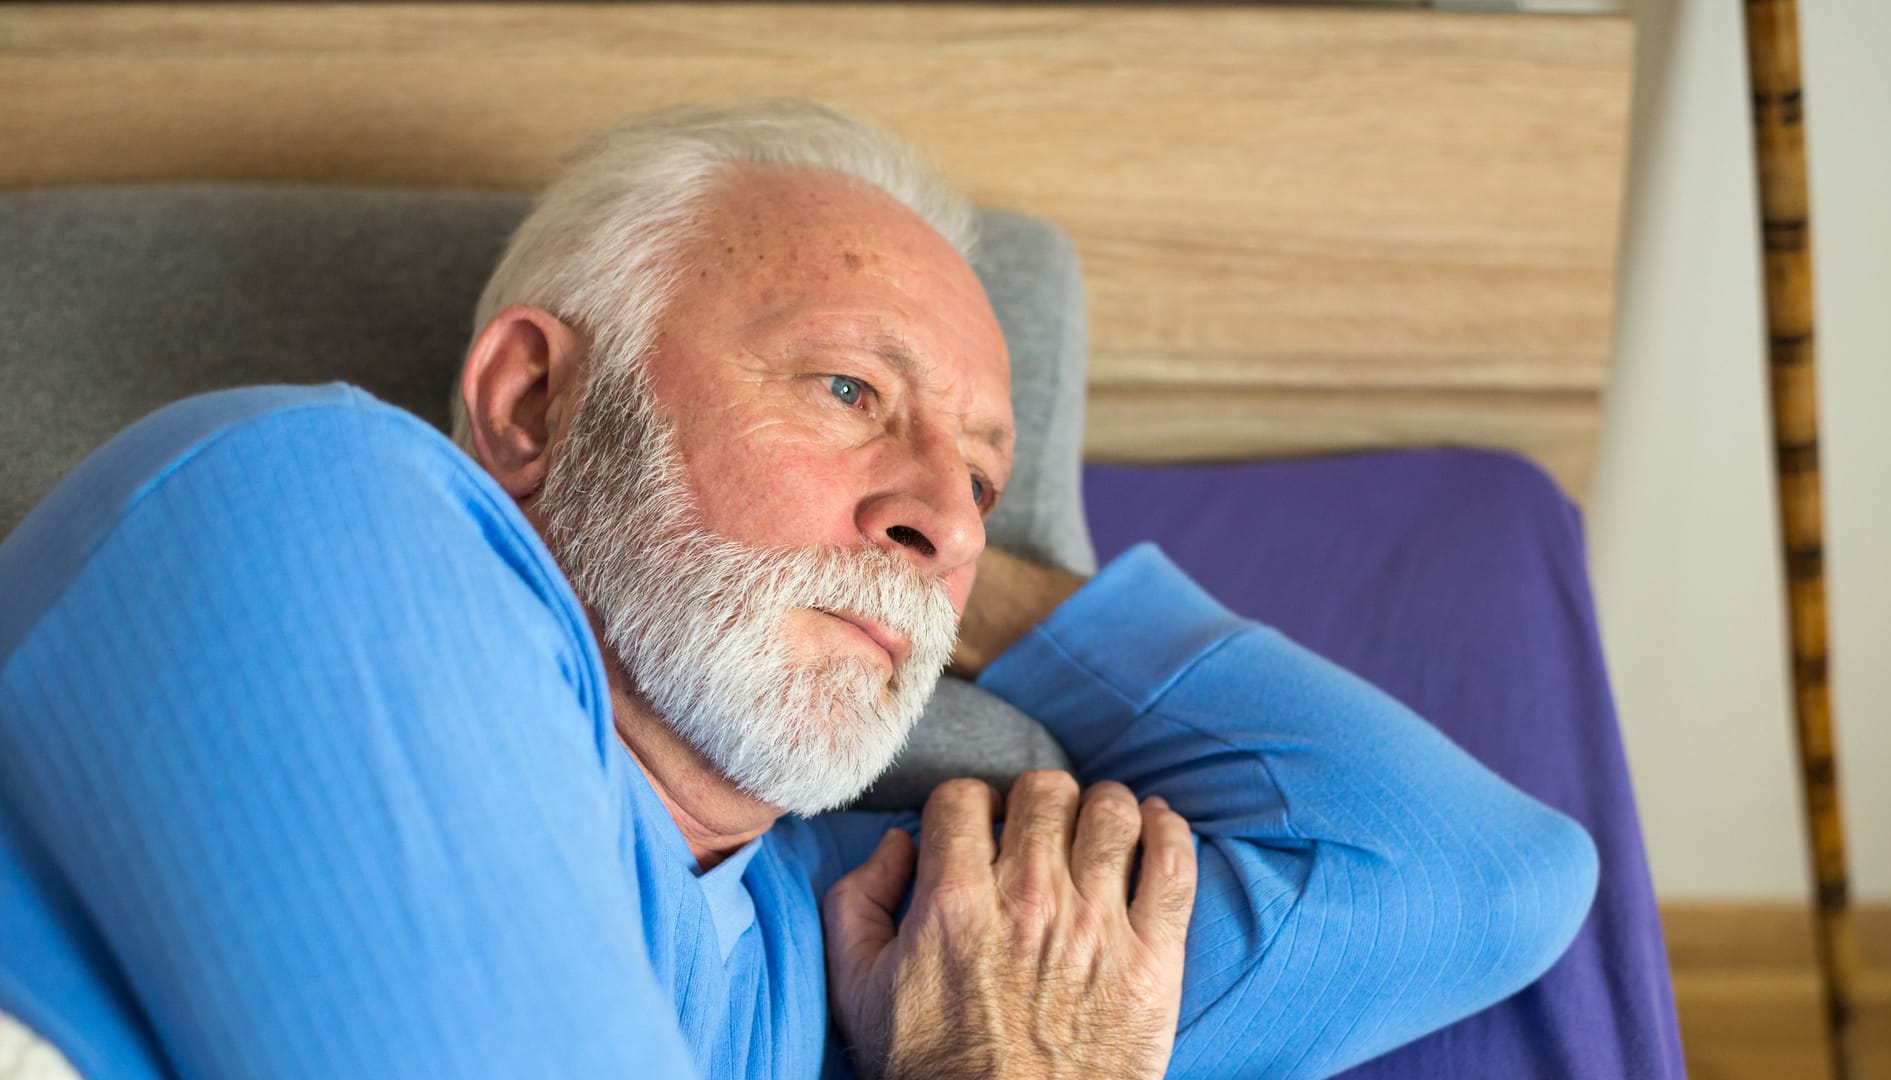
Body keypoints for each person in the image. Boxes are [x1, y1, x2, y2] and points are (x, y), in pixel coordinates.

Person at [0, 101, 1597, 1079]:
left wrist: (915, 560)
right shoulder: (311, 509)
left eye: (981, 477)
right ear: (536, 407)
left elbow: (1476, 877)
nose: (944, 522)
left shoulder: (862, 939)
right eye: (843, 389)